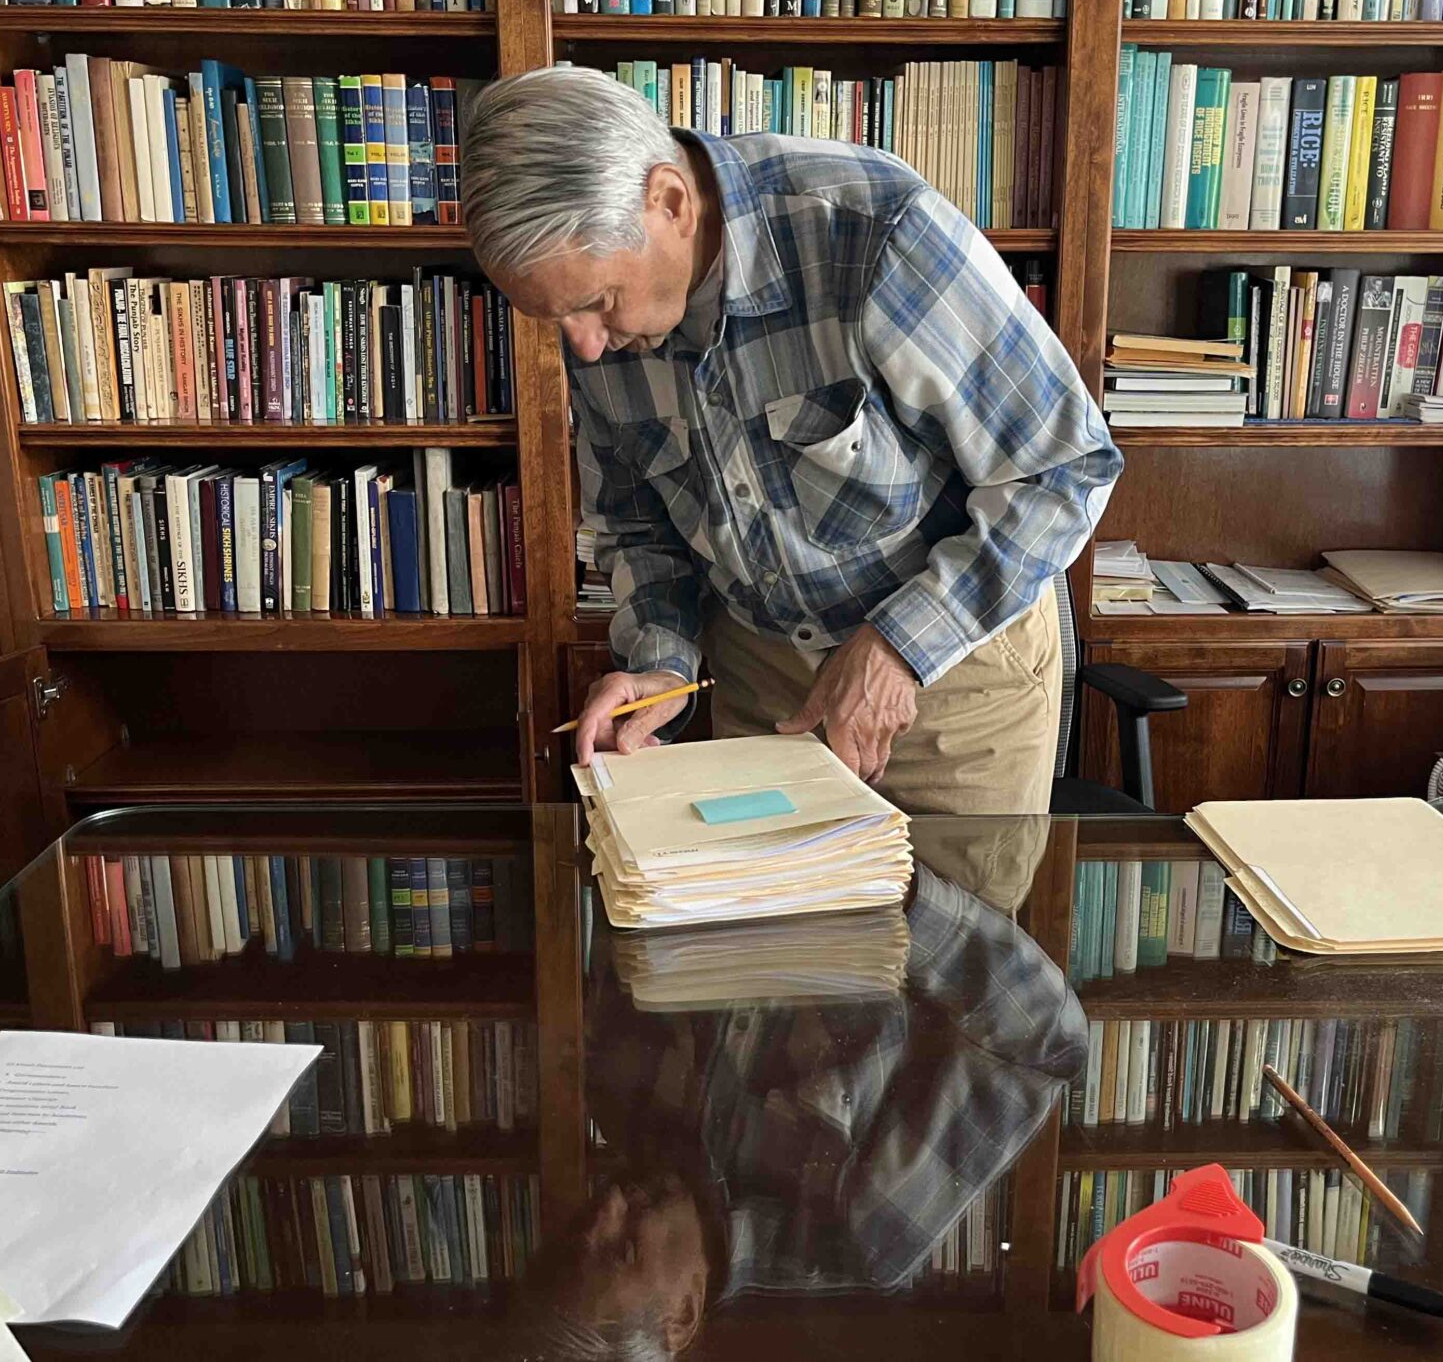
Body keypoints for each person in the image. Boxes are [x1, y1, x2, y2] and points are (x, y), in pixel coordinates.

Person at [461, 67, 1120, 814]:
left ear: (670, 202)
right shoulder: (597, 327)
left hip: (950, 677)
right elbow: (638, 525)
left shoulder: (872, 228)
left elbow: (1065, 468)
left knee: (956, 928)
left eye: (598, 302)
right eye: (555, 318)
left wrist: (898, 648)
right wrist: (661, 665)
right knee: (776, 927)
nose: (582, 347)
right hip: (763, 685)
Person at [512, 862, 1088, 1358]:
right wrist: (896, 893)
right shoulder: (862, 1230)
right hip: (917, 842)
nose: (611, 1202)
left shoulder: (619, 1099)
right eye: (624, 1249)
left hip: (741, 804)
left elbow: (631, 903)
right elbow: (1047, 1042)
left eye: (584, 1226)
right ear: (682, 1315)